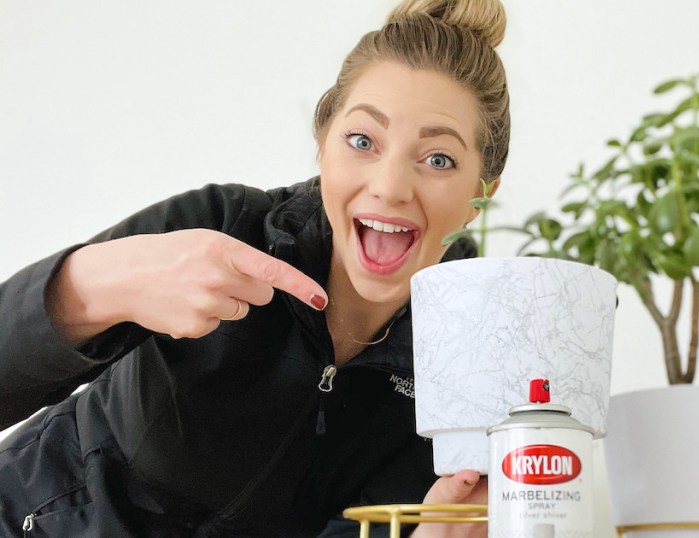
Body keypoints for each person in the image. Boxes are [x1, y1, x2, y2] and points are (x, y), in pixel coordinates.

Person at [0, 0, 509, 535]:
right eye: (362, 141)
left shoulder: (472, 354)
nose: (388, 186)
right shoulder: (221, 228)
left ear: (483, 193)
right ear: (323, 144)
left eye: (438, 159)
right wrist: (94, 285)